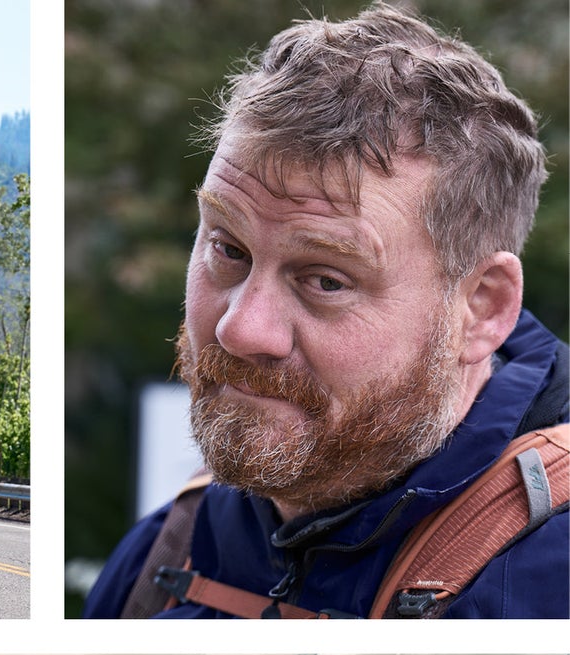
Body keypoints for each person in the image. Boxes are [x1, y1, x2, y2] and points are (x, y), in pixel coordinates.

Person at [84, 7, 567, 622]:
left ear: (482, 308)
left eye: (325, 280)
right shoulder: (165, 549)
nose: (240, 329)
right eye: (228, 249)